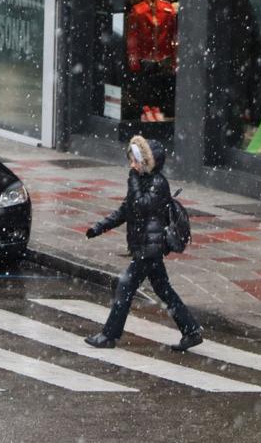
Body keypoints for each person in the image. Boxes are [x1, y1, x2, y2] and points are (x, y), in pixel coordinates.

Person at [84, 135, 203, 352]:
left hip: (150, 248)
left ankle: (109, 336)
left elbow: (140, 205)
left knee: (125, 287)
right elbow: (125, 210)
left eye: (136, 161)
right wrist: (99, 227)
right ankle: (191, 330)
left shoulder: (158, 183)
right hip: (145, 247)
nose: (132, 164)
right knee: (163, 289)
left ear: (147, 162)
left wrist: (133, 180)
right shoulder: (142, 181)